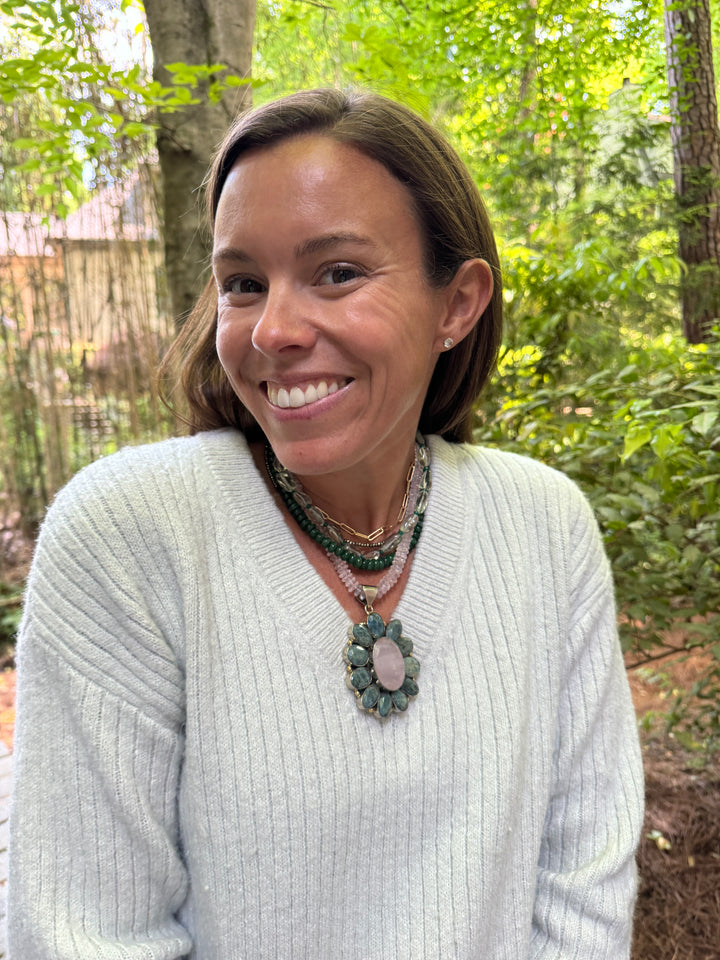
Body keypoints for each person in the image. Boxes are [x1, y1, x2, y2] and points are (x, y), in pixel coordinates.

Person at [8, 88, 644, 959]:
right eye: (242, 283)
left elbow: (584, 884)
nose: (273, 329)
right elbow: (83, 931)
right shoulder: (130, 537)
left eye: (337, 272)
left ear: (456, 304)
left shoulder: (545, 528)